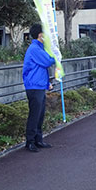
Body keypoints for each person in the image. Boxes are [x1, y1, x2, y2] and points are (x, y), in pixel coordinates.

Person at [22, 23, 55, 152]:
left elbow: (41, 69)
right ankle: (30, 142)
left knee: (40, 114)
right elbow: (47, 61)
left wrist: (47, 84)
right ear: (40, 35)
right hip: (34, 87)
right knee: (35, 114)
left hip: (39, 86)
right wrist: (56, 55)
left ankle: (38, 140)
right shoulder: (35, 49)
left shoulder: (38, 48)